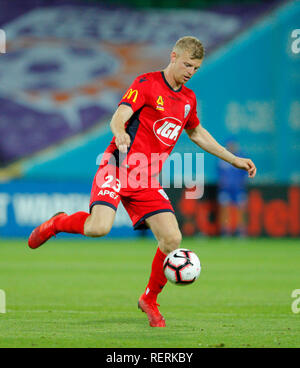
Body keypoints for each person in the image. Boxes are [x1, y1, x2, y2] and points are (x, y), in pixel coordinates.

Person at [28, 36, 257, 327]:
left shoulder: (188, 99)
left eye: (196, 68)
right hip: (118, 166)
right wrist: (120, 131)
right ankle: (57, 223)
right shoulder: (147, 84)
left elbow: (196, 133)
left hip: (145, 178)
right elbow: (118, 116)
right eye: (187, 64)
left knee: (173, 238)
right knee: (98, 227)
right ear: (174, 56)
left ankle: (149, 299)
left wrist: (233, 159)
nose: (190, 72)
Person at [217, 138, 248, 236]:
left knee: (241, 208)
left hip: (238, 188)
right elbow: (219, 174)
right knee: (224, 208)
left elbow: (245, 174)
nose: (231, 147)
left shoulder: (241, 158)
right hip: (225, 188)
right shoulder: (222, 159)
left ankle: (241, 230)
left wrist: (242, 183)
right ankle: (225, 230)